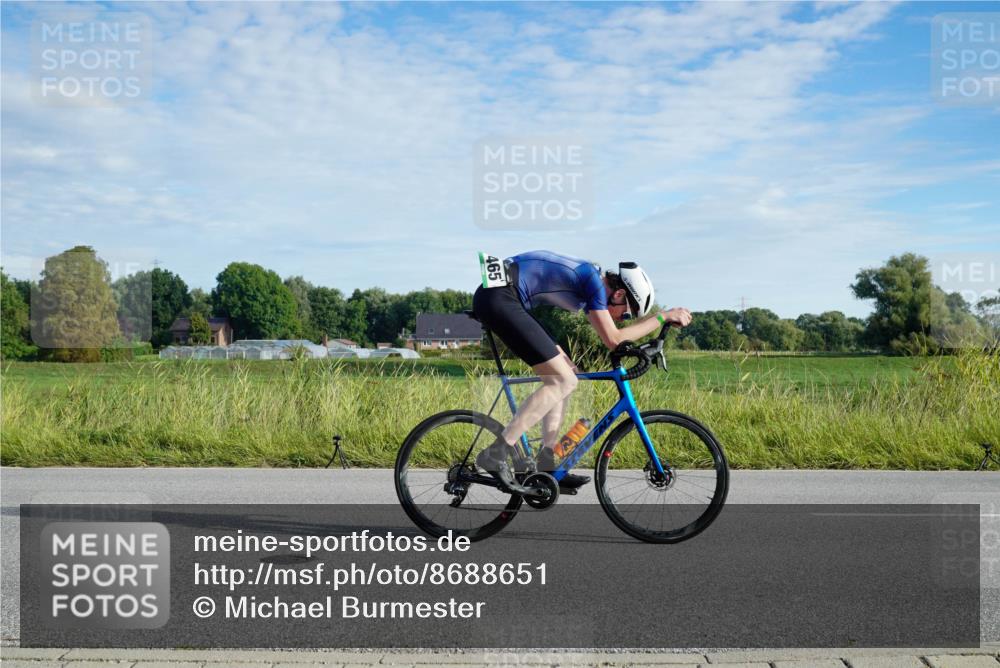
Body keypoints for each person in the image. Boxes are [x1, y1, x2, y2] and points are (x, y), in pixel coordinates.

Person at [472, 250, 692, 493]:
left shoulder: (590, 286)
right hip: (500, 297)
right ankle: (496, 452)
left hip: (505, 296)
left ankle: (547, 463)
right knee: (562, 381)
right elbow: (614, 339)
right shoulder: (592, 281)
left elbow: (614, 337)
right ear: (618, 294)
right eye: (627, 313)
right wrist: (663, 317)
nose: (623, 319)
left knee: (568, 373)